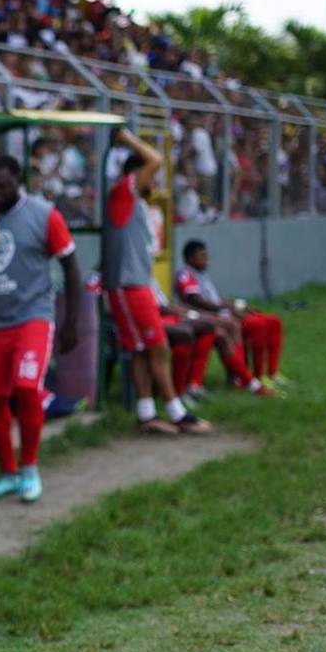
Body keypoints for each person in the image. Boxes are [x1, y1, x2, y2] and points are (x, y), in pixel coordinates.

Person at [0, 154, 81, 503]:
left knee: (26, 387)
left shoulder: (44, 215)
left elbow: (71, 266)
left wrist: (71, 322)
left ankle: (30, 466)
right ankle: (9, 471)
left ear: (18, 180)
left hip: (32, 317)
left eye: (3, 184)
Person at [101, 128, 211, 435]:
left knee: (140, 349)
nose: (154, 180)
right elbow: (155, 158)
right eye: (147, 175)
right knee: (158, 346)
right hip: (128, 286)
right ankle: (177, 412)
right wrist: (126, 138)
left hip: (135, 284)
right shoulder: (124, 191)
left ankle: (147, 413)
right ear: (134, 174)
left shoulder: (132, 200)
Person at [176, 240, 287, 390]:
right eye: (202, 256)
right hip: (212, 317)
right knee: (257, 325)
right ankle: (254, 376)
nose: (207, 259)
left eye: (207, 255)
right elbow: (195, 300)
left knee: (274, 321)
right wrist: (228, 307)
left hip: (223, 314)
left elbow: (215, 300)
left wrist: (237, 304)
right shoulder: (185, 274)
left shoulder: (202, 275)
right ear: (190, 258)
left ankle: (272, 373)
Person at [150, 284, 217, 404]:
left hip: (164, 316)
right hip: (149, 319)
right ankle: (177, 392)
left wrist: (193, 314)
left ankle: (194, 384)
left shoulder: (149, 276)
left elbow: (166, 304)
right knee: (185, 332)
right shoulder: (130, 276)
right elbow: (160, 307)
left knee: (207, 325)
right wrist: (189, 314)